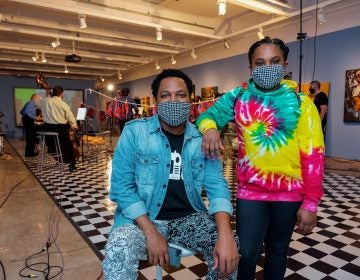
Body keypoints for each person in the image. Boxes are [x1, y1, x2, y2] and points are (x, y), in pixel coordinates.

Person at [196, 37, 325, 280]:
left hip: (288, 193)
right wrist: (211, 129)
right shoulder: (238, 97)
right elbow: (206, 116)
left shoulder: (302, 103)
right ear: (251, 68)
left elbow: (314, 156)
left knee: (277, 252)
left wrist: (310, 203)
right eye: (260, 62)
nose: (267, 67)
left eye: (274, 61)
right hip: (250, 193)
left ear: (285, 65)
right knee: (245, 253)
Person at [102, 69, 239, 280]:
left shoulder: (202, 138)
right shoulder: (135, 132)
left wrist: (226, 234)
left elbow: (216, 186)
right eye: (165, 95)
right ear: (156, 101)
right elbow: (121, 187)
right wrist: (151, 233)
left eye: (180, 95)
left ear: (190, 100)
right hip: (142, 219)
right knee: (118, 247)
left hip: (189, 218)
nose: (173, 100)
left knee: (228, 251)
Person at [41, 85, 78, 172]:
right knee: (68, 145)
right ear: (62, 93)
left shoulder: (44, 101)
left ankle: (56, 155)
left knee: (55, 142)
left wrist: (46, 96)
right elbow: (69, 116)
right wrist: (74, 126)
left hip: (47, 129)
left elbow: (37, 103)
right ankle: (72, 165)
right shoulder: (62, 104)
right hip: (60, 129)